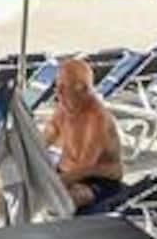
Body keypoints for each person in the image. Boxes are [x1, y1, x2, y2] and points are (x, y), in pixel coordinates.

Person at [43, 57, 125, 212]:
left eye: (64, 87)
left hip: (98, 179)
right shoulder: (64, 108)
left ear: (82, 89)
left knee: (72, 197)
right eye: (57, 86)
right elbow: (43, 140)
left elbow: (84, 167)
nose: (58, 93)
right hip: (67, 173)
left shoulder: (97, 118)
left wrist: (54, 182)